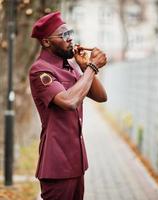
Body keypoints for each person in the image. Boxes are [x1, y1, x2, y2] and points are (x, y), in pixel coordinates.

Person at [29, 11, 107, 200]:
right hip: (57, 166)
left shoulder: (70, 66)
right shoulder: (40, 70)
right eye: (64, 35)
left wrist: (84, 67)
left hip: (76, 162)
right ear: (47, 42)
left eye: (70, 33)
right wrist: (92, 68)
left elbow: (101, 97)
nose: (70, 39)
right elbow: (69, 101)